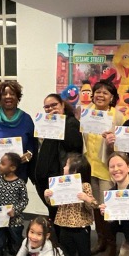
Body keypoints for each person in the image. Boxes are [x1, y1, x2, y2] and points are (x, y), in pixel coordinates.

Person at [81, 79, 125, 256]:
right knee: (95, 208)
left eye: (105, 93)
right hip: (89, 168)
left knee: (108, 209)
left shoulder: (117, 116)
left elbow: (122, 147)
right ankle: (100, 240)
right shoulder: (87, 113)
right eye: (97, 91)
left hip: (108, 170)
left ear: (112, 97)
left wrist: (112, 141)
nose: (100, 95)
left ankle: (111, 244)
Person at [30, 93, 83, 233]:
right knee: (53, 214)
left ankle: (64, 248)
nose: (50, 108)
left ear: (62, 105)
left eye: (54, 105)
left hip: (59, 176)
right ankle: (56, 245)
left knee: (61, 215)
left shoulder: (71, 122)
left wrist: (60, 122)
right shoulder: (46, 123)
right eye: (47, 107)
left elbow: (75, 145)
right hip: (44, 178)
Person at [44, 153, 96, 256]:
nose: (64, 167)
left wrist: (86, 198)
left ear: (75, 170)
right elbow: (53, 204)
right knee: (68, 251)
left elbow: (92, 205)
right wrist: (48, 196)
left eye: (67, 165)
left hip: (81, 226)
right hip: (64, 224)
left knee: (84, 252)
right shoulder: (60, 183)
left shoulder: (85, 186)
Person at [0, 80, 35, 185]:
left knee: (17, 200)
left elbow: (32, 142)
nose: (8, 96)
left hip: (18, 172)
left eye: (12, 94)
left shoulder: (26, 119)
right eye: (4, 94)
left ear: (18, 97)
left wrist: (30, 153)